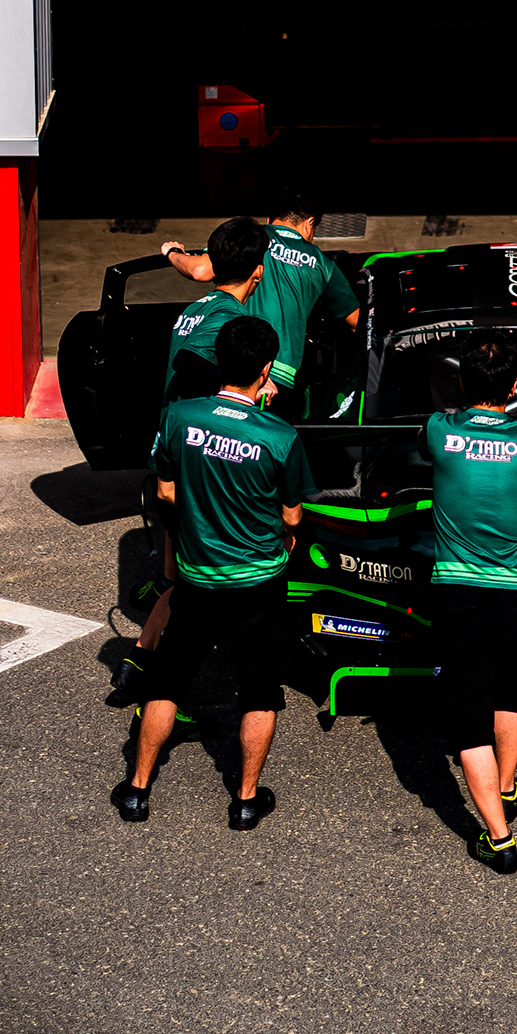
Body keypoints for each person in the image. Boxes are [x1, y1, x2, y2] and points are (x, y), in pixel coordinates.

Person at [113, 313, 306, 830]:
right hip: (259, 582)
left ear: (220, 361)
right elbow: (291, 517)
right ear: (266, 369)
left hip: (198, 577)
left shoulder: (179, 416)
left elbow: (167, 492)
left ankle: (137, 790)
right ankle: (244, 800)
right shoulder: (280, 436)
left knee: (167, 682)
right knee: (260, 692)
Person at [425, 339, 517, 875]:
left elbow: (431, 435)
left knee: (467, 715)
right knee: (510, 689)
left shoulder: (440, 429)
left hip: (459, 590)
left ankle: (498, 839)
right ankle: (505, 790)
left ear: (463, 383)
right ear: (512, 387)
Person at [172, 197, 361, 421]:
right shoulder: (321, 262)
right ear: (309, 223)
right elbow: (358, 323)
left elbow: (200, 271)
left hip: (233, 374)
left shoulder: (246, 239)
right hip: (277, 381)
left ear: (270, 220)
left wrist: (172, 252)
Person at [159, 215, 270, 402]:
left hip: (176, 424)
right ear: (258, 272)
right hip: (200, 424)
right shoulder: (229, 315)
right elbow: (186, 359)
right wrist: (243, 389)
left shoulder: (195, 308)